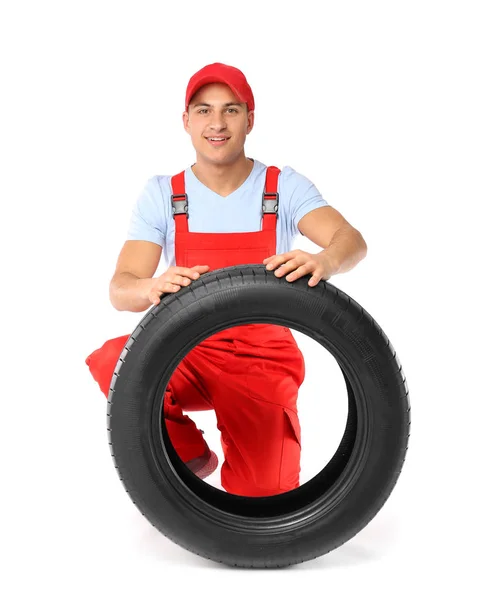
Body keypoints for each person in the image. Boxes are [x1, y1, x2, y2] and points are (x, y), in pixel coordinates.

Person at [85, 62, 367, 497]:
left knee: (264, 498)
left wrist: (325, 261)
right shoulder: (164, 193)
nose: (216, 123)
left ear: (250, 119)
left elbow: (351, 240)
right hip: (188, 351)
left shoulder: (281, 187)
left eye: (231, 110)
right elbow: (121, 287)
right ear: (186, 121)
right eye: (203, 110)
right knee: (113, 361)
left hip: (263, 360)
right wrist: (148, 287)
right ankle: (186, 454)